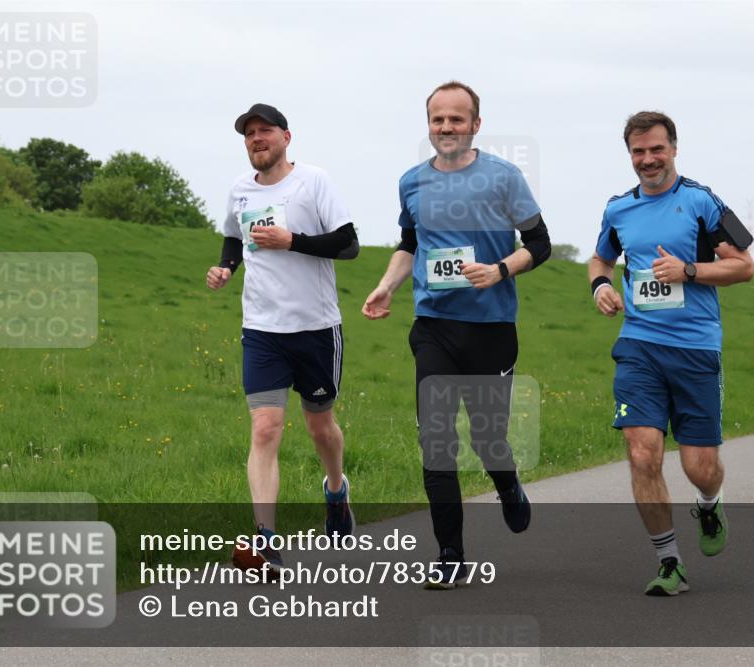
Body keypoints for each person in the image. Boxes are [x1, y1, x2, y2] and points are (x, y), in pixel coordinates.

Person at [362, 81, 552, 589]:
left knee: (489, 439)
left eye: (457, 119)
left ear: (475, 125)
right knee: (437, 441)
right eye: (438, 119)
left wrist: (500, 271)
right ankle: (450, 555)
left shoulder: (504, 178)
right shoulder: (411, 182)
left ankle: (508, 485)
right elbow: (409, 244)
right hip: (434, 329)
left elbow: (540, 242)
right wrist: (386, 287)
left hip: (491, 329)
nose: (446, 128)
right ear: (429, 125)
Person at [588, 111, 754, 596]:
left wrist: (689, 271)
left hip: (696, 348)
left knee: (698, 466)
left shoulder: (701, 202)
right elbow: (602, 256)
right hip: (639, 346)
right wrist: (600, 285)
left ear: (674, 148)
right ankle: (669, 563)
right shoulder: (618, 209)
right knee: (643, 454)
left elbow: (744, 267)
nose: (648, 160)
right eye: (638, 152)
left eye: (656, 149)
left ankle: (709, 502)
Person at [206, 103, 359, 572]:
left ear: (286, 137)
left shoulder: (313, 182)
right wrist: (226, 267)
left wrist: (293, 241)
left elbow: (348, 244)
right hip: (262, 330)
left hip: (315, 329)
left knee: (320, 429)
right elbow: (235, 238)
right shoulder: (239, 190)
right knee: (265, 428)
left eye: (264, 131)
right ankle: (266, 542)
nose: (256, 139)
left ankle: (336, 488)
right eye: (249, 134)